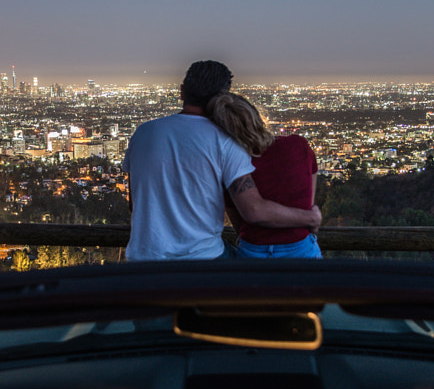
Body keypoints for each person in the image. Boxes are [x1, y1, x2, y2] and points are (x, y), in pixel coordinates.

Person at [122, 60, 321, 260]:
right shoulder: (224, 140)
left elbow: (134, 204)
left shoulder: (143, 133)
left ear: (182, 92)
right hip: (204, 260)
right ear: (223, 99)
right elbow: (253, 209)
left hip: (143, 259)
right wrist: (311, 218)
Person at [207, 92, 322, 259]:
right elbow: (307, 203)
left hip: (254, 251)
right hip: (301, 249)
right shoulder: (298, 146)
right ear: (255, 116)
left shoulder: (231, 165)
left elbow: (241, 225)